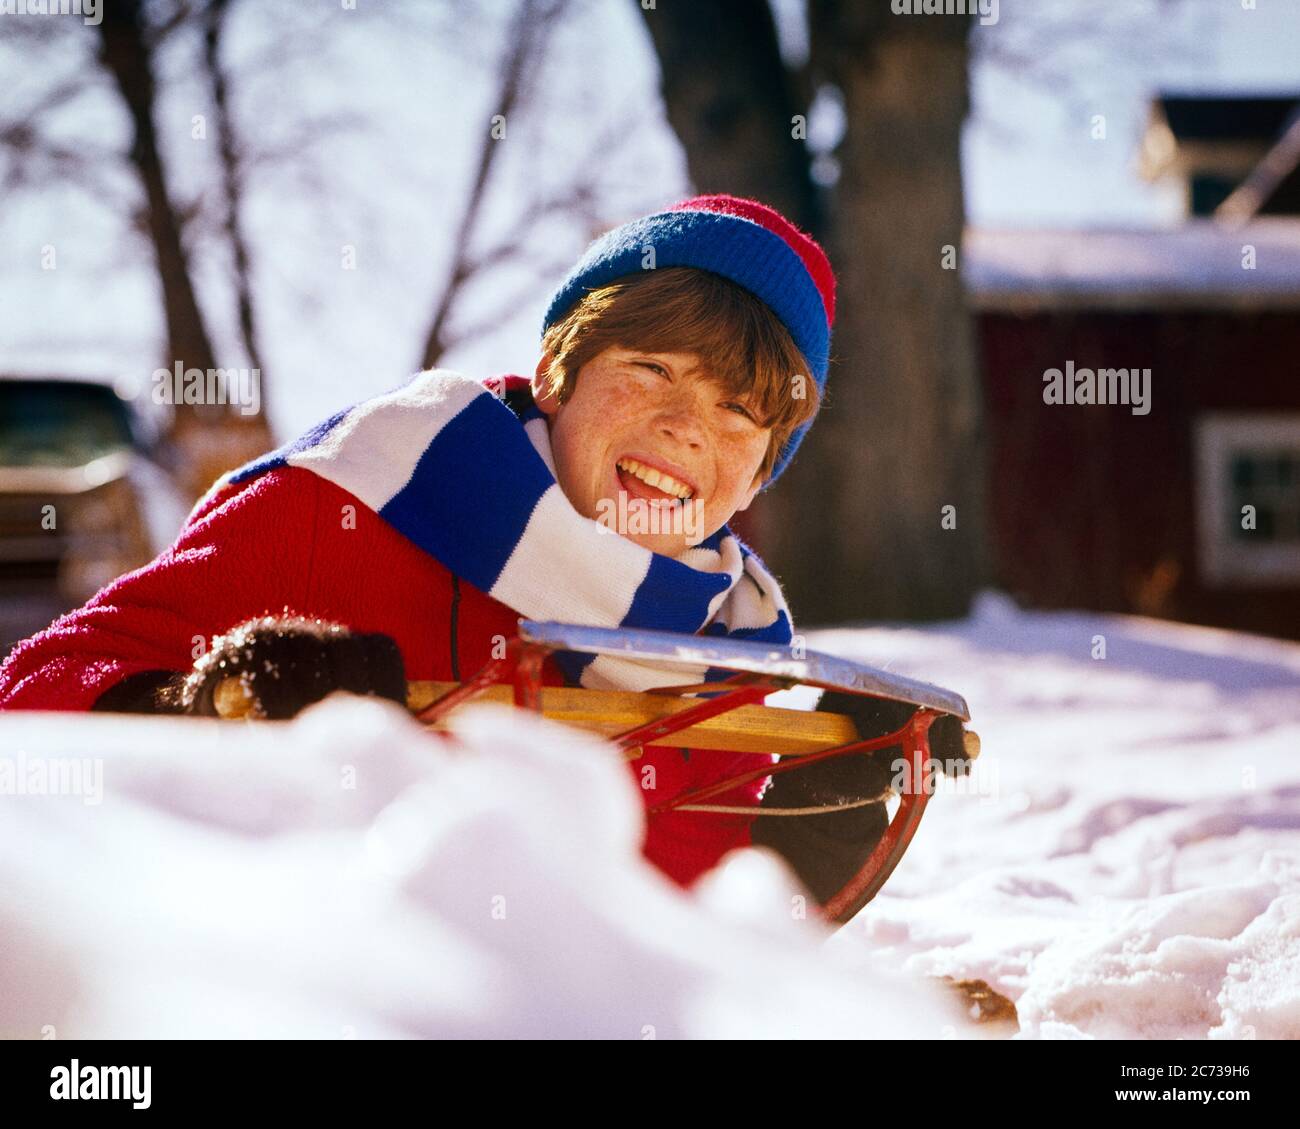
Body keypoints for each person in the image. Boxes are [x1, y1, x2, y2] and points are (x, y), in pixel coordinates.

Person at [0, 194, 960, 904]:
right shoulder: (364, 495)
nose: (685, 428)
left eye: (739, 412)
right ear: (557, 374)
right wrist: (206, 708)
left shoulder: (721, 650)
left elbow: (649, 941)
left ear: (759, 478)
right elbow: (32, 703)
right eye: (652, 369)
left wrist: (804, 830)